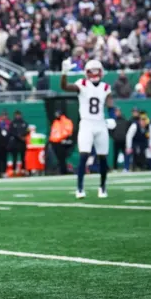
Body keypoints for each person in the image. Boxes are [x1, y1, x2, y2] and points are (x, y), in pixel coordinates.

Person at [61, 59, 114, 199]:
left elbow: (110, 104)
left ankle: (102, 187)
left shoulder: (105, 87)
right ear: (87, 72)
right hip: (86, 124)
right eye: (92, 71)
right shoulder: (83, 84)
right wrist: (64, 73)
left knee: (103, 157)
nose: (95, 74)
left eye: (97, 71)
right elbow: (65, 87)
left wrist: (112, 117)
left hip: (100, 124)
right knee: (83, 155)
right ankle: (79, 188)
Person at [48, 110, 74, 175]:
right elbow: (53, 132)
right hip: (54, 142)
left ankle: (64, 171)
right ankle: (60, 170)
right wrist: (52, 139)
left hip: (62, 142)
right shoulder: (55, 122)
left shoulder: (66, 121)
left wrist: (60, 138)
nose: (57, 116)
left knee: (62, 158)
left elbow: (68, 132)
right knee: (58, 158)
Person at [8, 110, 29, 175]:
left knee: (23, 157)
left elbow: (27, 131)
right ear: (14, 115)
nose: (18, 116)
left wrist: (23, 136)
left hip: (22, 143)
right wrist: (19, 137)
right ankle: (14, 170)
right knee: (15, 158)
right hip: (15, 143)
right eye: (16, 115)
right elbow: (11, 132)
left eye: (19, 115)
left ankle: (23, 169)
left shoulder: (24, 123)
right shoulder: (12, 123)